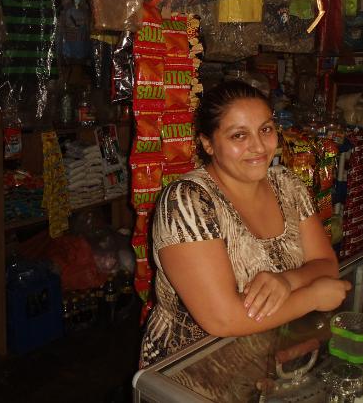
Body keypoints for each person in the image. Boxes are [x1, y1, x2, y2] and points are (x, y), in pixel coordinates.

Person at [140, 81, 351, 368]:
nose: (259, 146)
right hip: (191, 371)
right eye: (239, 135)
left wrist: (287, 281)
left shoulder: (288, 185)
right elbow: (224, 319)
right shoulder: (187, 201)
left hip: (266, 361)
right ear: (208, 144)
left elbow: (326, 264)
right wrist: (313, 296)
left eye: (265, 129)